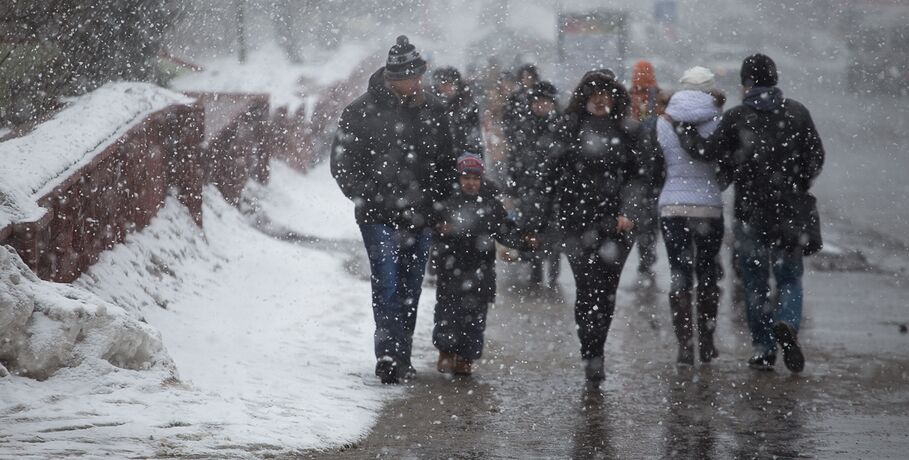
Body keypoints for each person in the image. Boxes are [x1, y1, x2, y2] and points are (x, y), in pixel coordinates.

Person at [676, 54, 825, 373]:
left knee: (755, 283)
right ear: (774, 79)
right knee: (789, 278)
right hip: (791, 214)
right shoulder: (797, 113)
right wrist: (798, 182)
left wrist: (684, 128)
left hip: (751, 212)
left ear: (746, 84)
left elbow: (708, 152)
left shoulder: (737, 117)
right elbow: (816, 155)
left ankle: (763, 348)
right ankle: (787, 321)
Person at [330, 35, 456, 384]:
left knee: (410, 287)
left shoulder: (434, 110)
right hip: (377, 216)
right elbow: (342, 164)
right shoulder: (359, 111)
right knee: (386, 284)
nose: (417, 83)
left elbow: (446, 165)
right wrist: (367, 195)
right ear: (392, 76)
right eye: (410, 76)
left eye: (419, 75)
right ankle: (388, 356)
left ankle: (400, 353)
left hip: (422, 215)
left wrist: (438, 206)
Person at [545, 70, 658, 383]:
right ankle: (590, 351)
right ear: (583, 96)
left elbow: (641, 176)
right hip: (575, 223)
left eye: (606, 93)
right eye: (594, 93)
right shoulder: (568, 128)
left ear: (615, 97)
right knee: (585, 288)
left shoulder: (629, 131)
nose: (599, 99)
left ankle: (598, 349)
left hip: (616, 225)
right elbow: (549, 176)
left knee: (606, 291)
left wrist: (629, 210)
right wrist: (540, 221)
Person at [433, 153, 537, 376]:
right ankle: (446, 350)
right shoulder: (448, 202)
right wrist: (442, 233)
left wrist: (524, 241)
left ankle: (467, 356)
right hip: (451, 270)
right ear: (458, 179)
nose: (471, 183)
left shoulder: (490, 205)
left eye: (475, 179)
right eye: (466, 178)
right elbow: (436, 230)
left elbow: (505, 230)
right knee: (448, 315)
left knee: (474, 319)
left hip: (481, 271)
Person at [657, 66, 727, 365]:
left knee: (679, 271)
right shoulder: (721, 122)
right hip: (709, 208)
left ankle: (685, 345)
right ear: (711, 90)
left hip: (672, 208)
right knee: (708, 270)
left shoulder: (662, 122)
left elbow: (655, 166)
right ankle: (707, 339)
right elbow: (727, 165)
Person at [507, 81, 565, 288]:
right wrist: (513, 184)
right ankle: (535, 268)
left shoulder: (561, 125)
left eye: (545, 101)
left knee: (554, 232)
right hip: (529, 187)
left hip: (554, 189)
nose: (540, 105)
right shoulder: (523, 126)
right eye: (537, 102)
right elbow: (514, 157)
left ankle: (554, 271)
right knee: (530, 228)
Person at [626, 60, 666, 286]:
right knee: (646, 220)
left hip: (647, 170)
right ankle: (646, 257)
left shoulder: (640, 101)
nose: (640, 90)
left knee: (646, 220)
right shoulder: (657, 100)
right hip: (650, 170)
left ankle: (646, 257)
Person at [431, 66, 484, 155]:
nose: (447, 87)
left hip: (464, 156)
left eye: (450, 83)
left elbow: (474, 137)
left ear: (457, 85)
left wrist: (473, 158)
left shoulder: (468, 106)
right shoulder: (432, 105)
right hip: (440, 157)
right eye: (443, 84)